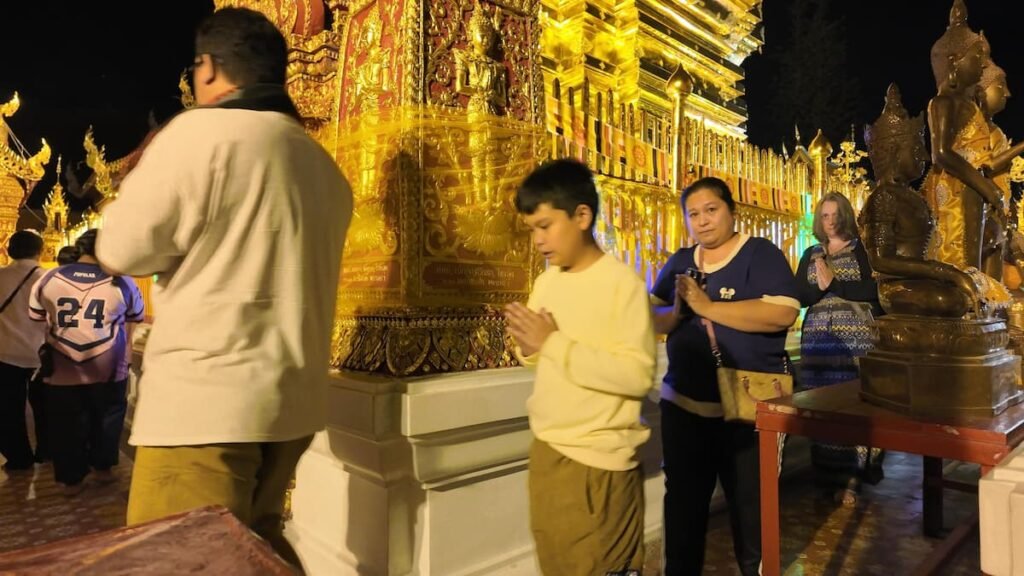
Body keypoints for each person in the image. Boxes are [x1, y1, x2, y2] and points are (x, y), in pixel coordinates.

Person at [95, 7, 353, 568]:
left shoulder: (199, 134)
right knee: (255, 548)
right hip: (290, 411)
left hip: (205, 407)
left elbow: (121, 249)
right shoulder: (325, 167)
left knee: (177, 558)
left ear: (207, 69)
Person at [505, 159, 656, 576]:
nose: (538, 240)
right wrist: (530, 347)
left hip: (599, 463)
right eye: (531, 229)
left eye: (545, 226)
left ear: (582, 216)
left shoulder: (621, 284)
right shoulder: (547, 282)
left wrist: (552, 343)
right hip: (549, 452)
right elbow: (542, 358)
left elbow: (637, 375)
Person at [651, 176, 800, 576]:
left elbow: (782, 312)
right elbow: (651, 319)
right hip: (684, 408)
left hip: (749, 410)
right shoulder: (680, 262)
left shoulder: (760, 255)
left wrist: (707, 307)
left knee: (751, 510)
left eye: (711, 210)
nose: (702, 221)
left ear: (732, 212)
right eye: (693, 214)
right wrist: (680, 311)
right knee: (683, 509)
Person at [28, 230, 144, 495]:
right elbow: (134, 318)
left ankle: (71, 480)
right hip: (110, 366)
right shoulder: (122, 281)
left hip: (61, 367)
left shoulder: (49, 277)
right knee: (106, 418)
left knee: (66, 423)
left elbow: (36, 316)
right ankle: (103, 470)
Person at [796, 192, 884, 505]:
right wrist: (817, 288)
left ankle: (853, 479)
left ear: (845, 216)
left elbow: (874, 291)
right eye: (824, 216)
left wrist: (835, 284)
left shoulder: (862, 251)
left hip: (854, 340)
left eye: (835, 215)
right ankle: (824, 476)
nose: (830, 222)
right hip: (818, 342)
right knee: (821, 409)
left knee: (852, 407)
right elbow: (801, 297)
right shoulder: (811, 254)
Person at [0, 230, 46, 471]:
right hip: (42, 354)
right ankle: (46, 452)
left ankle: (19, 458)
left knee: (9, 409)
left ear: (9, 251)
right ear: (40, 251)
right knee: (45, 406)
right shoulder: (49, 280)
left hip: (5, 353)